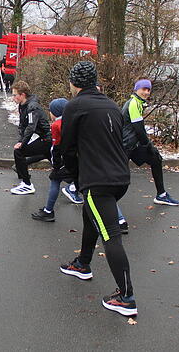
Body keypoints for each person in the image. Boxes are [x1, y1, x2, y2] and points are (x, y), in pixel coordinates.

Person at [58, 61, 137, 317]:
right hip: (119, 177)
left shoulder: (75, 106)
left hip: (97, 180)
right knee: (90, 217)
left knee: (111, 235)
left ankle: (126, 297)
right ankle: (83, 264)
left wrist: (73, 176)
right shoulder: (111, 104)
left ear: (74, 83)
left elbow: (67, 148)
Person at [122, 79, 179, 206]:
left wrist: (148, 146)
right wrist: (148, 146)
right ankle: (77, 189)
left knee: (156, 159)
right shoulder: (133, 103)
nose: (146, 92)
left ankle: (161, 195)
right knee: (116, 174)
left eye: (148, 90)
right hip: (126, 146)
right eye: (143, 89)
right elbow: (138, 129)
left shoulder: (137, 102)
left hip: (132, 145)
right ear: (136, 89)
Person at [31, 98, 80, 222]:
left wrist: (56, 164)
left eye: (51, 111)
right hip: (80, 158)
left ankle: (48, 211)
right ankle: (119, 220)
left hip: (66, 159)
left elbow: (55, 147)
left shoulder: (56, 125)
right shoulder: (75, 121)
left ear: (56, 112)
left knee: (55, 179)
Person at [9, 81, 52, 195]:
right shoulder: (22, 106)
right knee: (58, 164)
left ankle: (27, 184)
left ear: (22, 95)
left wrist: (22, 143)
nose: (13, 97)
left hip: (47, 139)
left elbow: (31, 127)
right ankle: (75, 183)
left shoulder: (32, 107)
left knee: (19, 152)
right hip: (43, 139)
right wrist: (20, 140)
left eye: (14, 95)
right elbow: (23, 126)